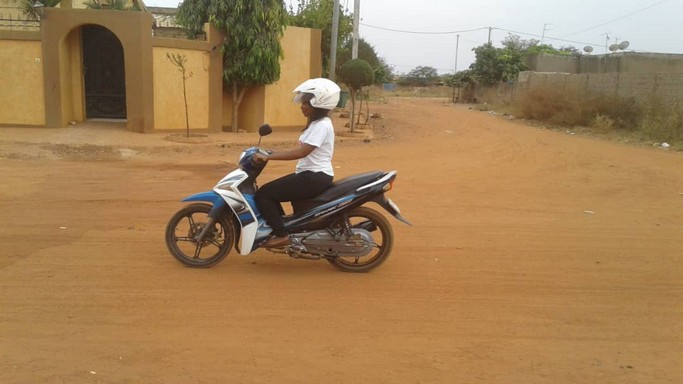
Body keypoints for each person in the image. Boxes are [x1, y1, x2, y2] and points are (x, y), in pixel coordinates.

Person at [253, 78, 341, 248]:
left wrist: (269, 157)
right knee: (272, 191)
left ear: (318, 103)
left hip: (313, 177)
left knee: (264, 194)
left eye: (306, 102)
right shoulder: (317, 124)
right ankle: (283, 227)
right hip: (311, 175)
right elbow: (302, 149)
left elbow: (302, 152)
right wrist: (270, 152)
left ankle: (282, 234)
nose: (302, 105)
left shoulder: (322, 125)